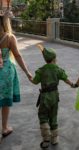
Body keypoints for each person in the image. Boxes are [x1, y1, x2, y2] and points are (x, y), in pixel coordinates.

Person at [30, 44, 74, 148]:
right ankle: (54, 139)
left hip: (45, 98)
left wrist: (29, 76)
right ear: (54, 58)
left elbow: (35, 81)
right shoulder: (57, 69)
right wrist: (73, 84)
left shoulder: (41, 70)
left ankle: (46, 139)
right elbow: (66, 79)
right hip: (55, 96)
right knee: (53, 117)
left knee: (43, 116)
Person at [0, 10, 32, 138]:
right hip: (6, 71)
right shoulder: (9, 38)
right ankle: (4, 128)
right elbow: (17, 56)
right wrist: (27, 72)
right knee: (5, 101)